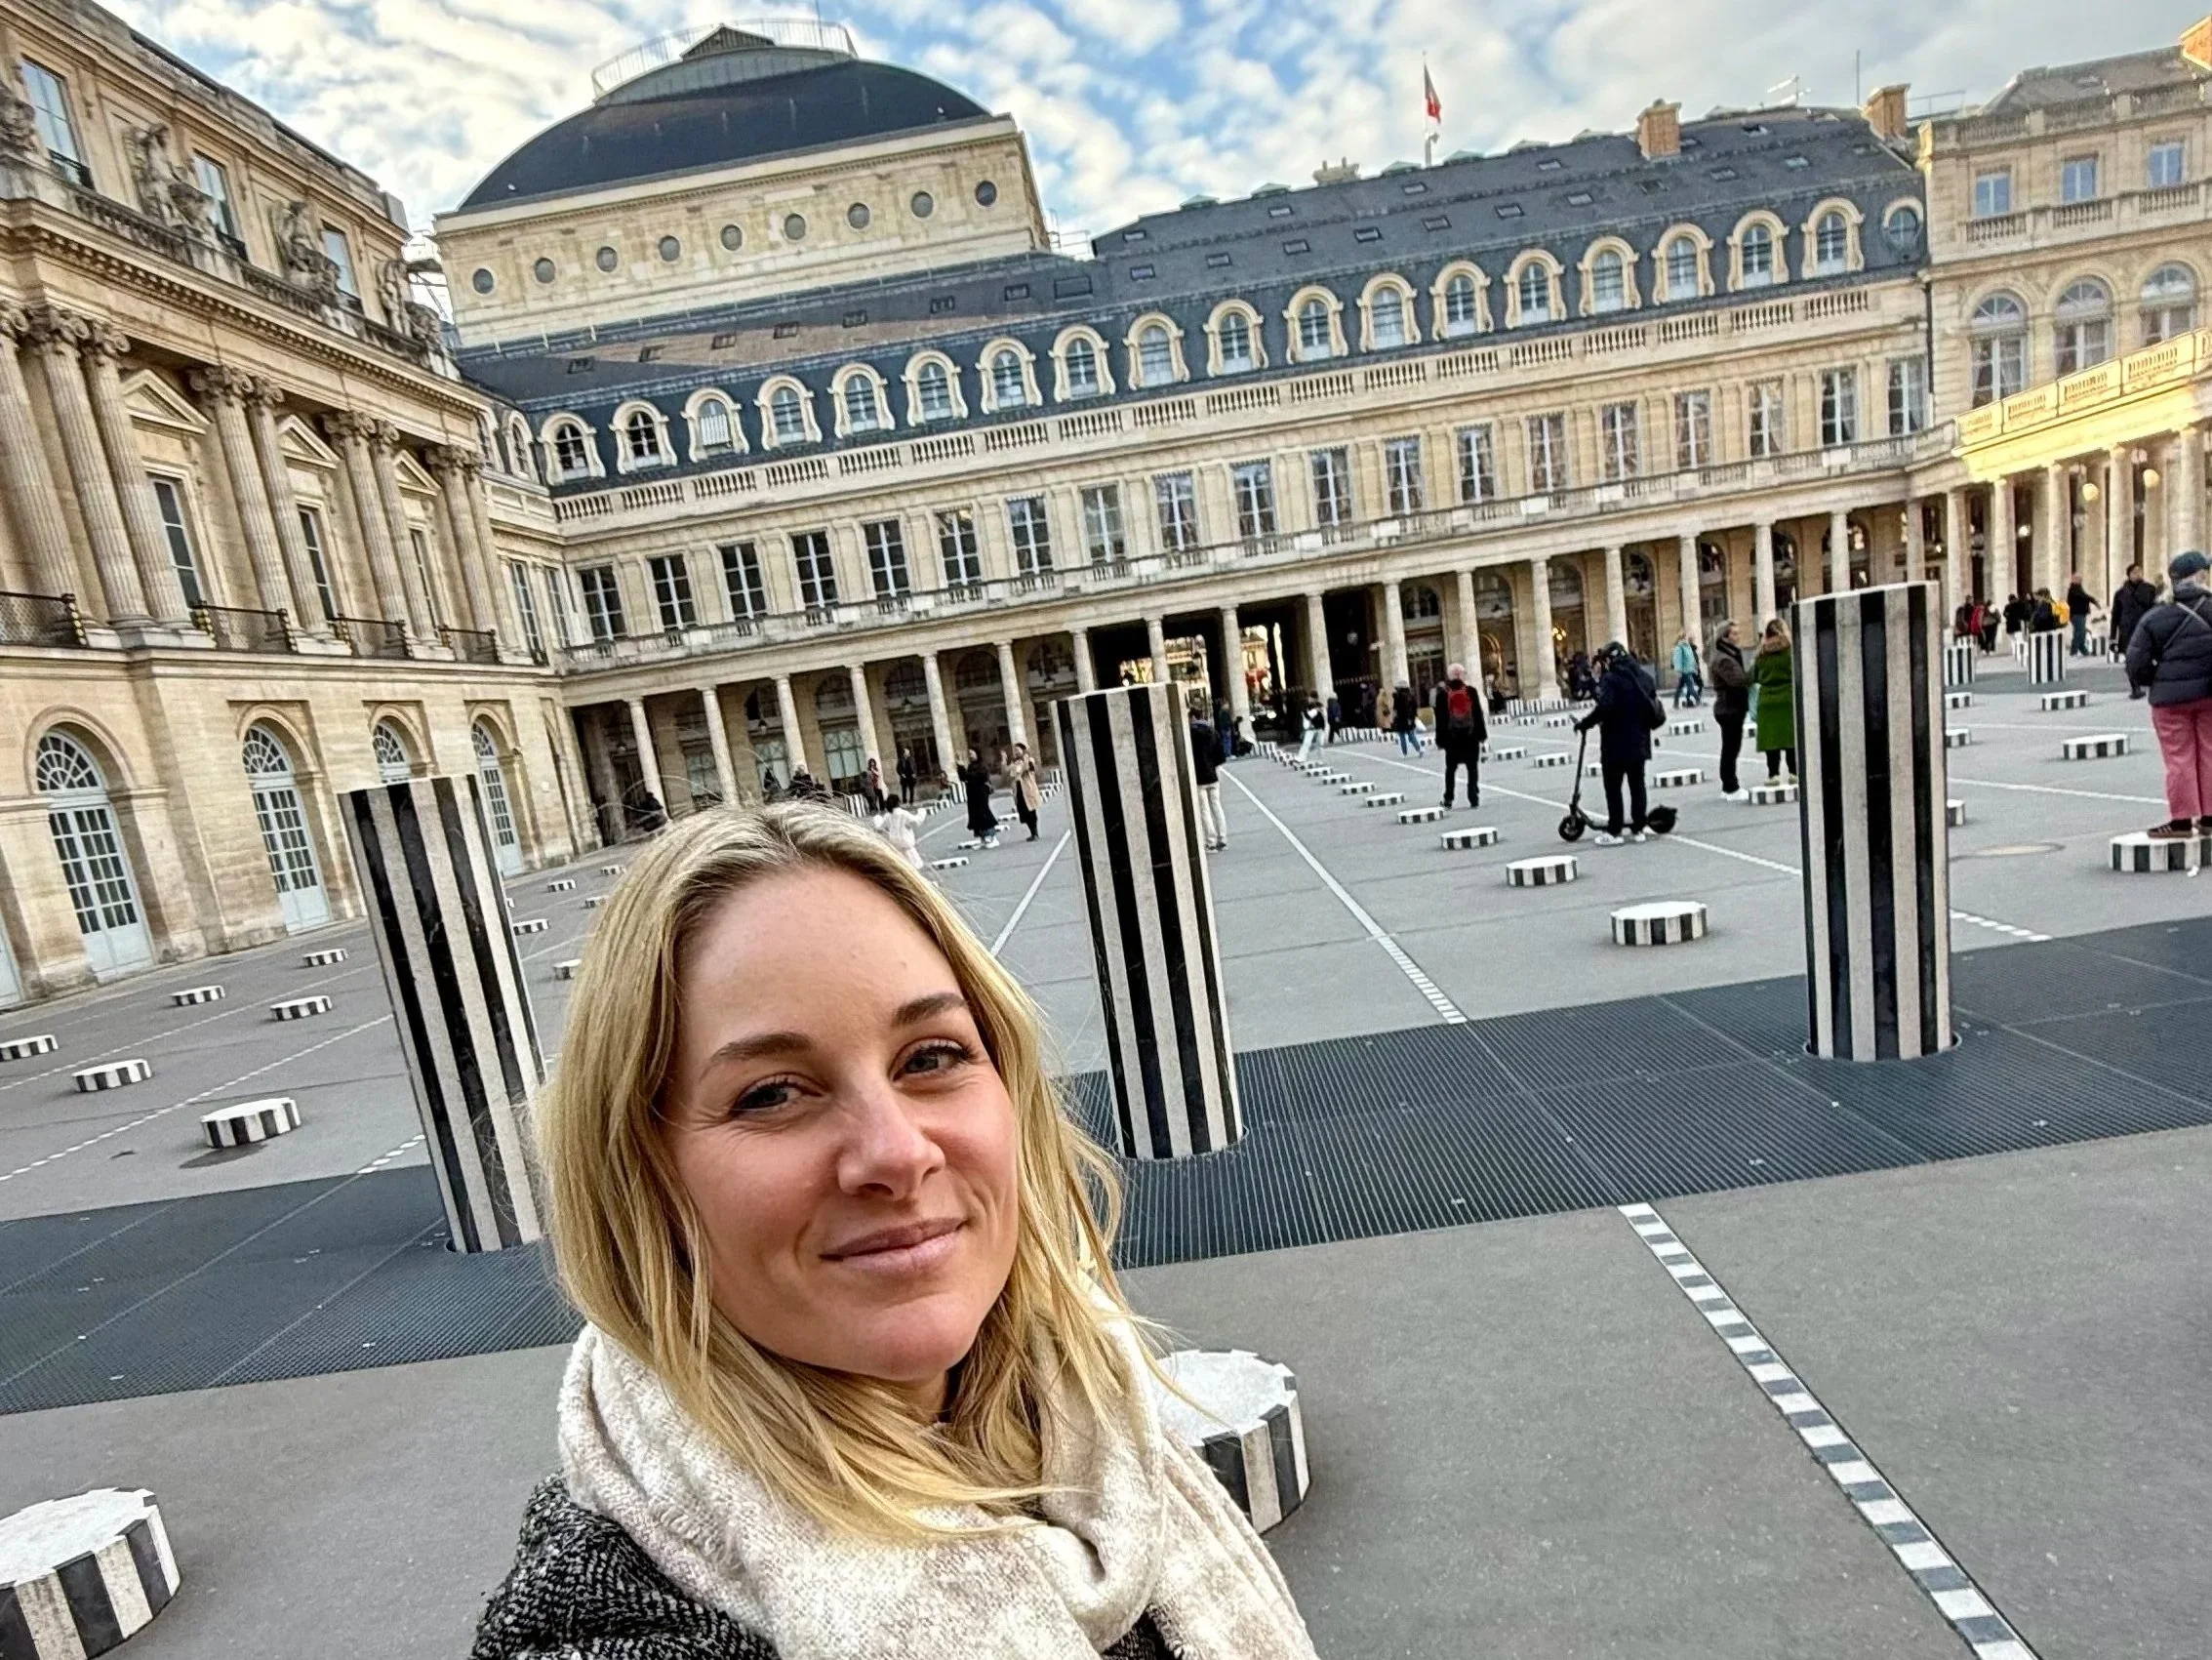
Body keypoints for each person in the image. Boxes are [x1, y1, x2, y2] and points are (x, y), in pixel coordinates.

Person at [472, 808, 1319, 1660]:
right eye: (771, 1093)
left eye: (930, 1057)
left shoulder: (1087, 1416)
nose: (895, 1154)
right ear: (638, 1176)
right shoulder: (599, 1628)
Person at [2124, 549, 2212, 839]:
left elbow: (2135, 661)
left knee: (2178, 758)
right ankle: (2210, 817)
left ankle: (2182, 821)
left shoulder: (2155, 616)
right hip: (2209, 695)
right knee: (2210, 753)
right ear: (2199, 577)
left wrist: (2155, 680)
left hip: (2170, 700)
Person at [1575, 643, 1660, 845]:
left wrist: (1585, 723)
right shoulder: (1643, 677)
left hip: (1615, 743)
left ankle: (1614, 831)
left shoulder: (1611, 679)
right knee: (1637, 784)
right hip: (1639, 741)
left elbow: (1605, 707)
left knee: (1613, 787)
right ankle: (1639, 828)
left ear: (1608, 660)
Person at [1430, 661, 1486, 811]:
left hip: (1452, 739)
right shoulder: (1471, 691)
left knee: (1450, 769)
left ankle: (1448, 798)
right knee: (1472, 768)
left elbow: (1440, 720)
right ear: (1461, 675)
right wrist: (1481, 736)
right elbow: (1478, 715)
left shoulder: (1442, 695)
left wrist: (1440, 740)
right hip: (1470, 737)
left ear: (1450, 676)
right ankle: (1473, 797)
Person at [1750, 619, 1798, 781]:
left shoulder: (1761, 654)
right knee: (1791, 739)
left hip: (1767, 701)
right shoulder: (1790, 651)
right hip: (1787, 698)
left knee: (1771, 741)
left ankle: (1773, 774)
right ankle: (1794, 772)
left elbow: (1754, 676)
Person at [1708, 620, 1750, 800]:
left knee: (1731, 747)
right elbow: (1737, 681)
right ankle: (1730, 786)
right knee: (1731, 748)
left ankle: (1729, 785)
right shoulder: (1723, 658)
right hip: (1728, 707)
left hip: (1730, 706)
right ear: (1725, 636)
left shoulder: (1727, 654)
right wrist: (1752, 673)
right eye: (1734, 633)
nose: (1738, 636)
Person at [2111, 563, 2161, 693]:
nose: (2138, 574)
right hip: (2127, 631)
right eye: (2134, 572)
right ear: (2129, 575)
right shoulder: (2120, 594)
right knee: (2130, 660)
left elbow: (2155, 610)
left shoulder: (2150, 589)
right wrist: (2113, 638)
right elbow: (2115, 616)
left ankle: (2150, 683)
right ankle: (2135, 688)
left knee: (2149, 658)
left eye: (2140, 571)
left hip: (2146, 629)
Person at [1188, 716, 1227, 851]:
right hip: (1213, 776)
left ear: (1192, 717)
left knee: (1204, 810)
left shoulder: (1189, 735)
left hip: (1199, 777)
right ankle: (1223, 838)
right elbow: (1221, 757)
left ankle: (1210, 842)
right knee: (1217, 806)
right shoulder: (1213, 733)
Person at [872, 791, 925, 871]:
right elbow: (916, 821)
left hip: (896, 848)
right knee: (914, 870)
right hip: (907, 848)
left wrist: (877, 818)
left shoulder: (888, 816)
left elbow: (879, 827)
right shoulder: (904, 814)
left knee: (900, 871)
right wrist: (921, 811)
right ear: (898, 802)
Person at [959, 749, 999, 849]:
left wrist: (968, 775)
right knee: (975, 816)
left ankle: (992, 837)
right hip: (972, 795)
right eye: (969, 754)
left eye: (972, 754)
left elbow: (979, 776)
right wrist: (960, 767)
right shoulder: (970, 766)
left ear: (977, 754)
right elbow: (964, 777)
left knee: (984, 813)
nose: (970, 756)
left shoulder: (982, 766)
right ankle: (982, 838)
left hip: (981, 793)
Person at [1006, 743, 1042, 842]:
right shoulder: (1014, 763)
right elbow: (1009, 773)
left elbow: (1027, 769)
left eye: (1018, 750)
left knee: (1031, 812)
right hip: (1019, 790)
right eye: (1015, 750)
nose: (1016, 752)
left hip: (1028, 789)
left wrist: (1025, 759)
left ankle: (1035, 833)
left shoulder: (1029, 760)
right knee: (1024, 813)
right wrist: (1004, 761)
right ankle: (1032, 833)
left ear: (1023, 750)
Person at [2065, 574, 2097, 656]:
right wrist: (2093, 600)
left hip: (2080, 614)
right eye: (2077, 579)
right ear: (2073, 580)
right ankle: (2074, 651)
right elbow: (2084, 596)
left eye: (2080, 579)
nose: (2080, 580)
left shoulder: (2078, 588)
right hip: (2076, 614)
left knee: (2081, 632)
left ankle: (2083, 650)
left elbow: (2084, 597)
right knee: (2079, 632)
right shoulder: (2073, 589)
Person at [1390, 681, 1422, 754]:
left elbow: (1395, 709)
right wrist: (1413, 716)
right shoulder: (1410, 696)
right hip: (1409, 718)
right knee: (1411, 734)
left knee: (1402, 736)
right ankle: (1418, 749)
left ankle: (1404, 752)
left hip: (1401, 718)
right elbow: (1414, 707)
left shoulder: (1398, 697)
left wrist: (1393, 718)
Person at [1670, 633, 1702, 708]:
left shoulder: (1687, 647)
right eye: (1684, 638)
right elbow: (1678, 660)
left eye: (1686, 638)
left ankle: (1675, 703)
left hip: (1688, 670)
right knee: (1690, 686)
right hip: (1684, 671)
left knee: (1680, 687)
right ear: (1681, 639)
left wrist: (1695, 668)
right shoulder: (1679, 648)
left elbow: (1692, 659)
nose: (1686, 639)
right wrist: (1679, 671)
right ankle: (1698, 700)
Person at [1298, 696, 1325, 762]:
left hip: (1316, 728)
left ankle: (1320, 760)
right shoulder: (1310, 709)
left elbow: (1308, 717)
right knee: (1307, 743)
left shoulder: (1315, 709)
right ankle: (1301, 758)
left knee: (1318, 745)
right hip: (1312, 729)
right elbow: (1307, 718)